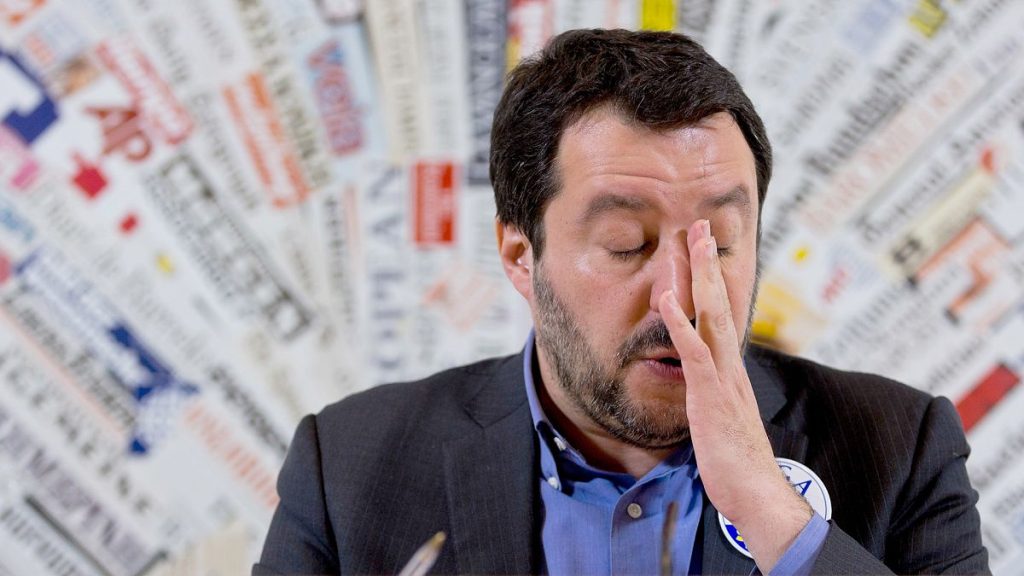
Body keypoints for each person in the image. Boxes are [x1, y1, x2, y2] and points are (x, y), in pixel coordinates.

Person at [255, 29, 989, 575]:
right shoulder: (349, 469)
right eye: (625, 244)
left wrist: (774, 516)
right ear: (520, 253)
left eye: (721, 242)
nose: (681, 298)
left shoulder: (902, 446)